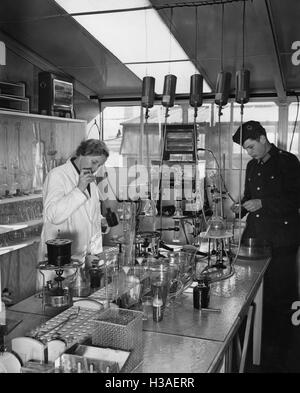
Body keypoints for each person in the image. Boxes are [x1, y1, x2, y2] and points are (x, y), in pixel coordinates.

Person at [231, 120, 300, 372]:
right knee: (252, 293)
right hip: (256, 240)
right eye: (246, 149)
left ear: (262, 138)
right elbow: (251, 197)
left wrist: (262, 203)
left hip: (282, 240)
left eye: (251, 147)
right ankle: (256, 341)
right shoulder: (251, 166)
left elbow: (294, 199)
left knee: (279, 295)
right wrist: (240, 207)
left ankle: (280, 351)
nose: (249, 152)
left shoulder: (287, 161)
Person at [37, 139, 109, 288]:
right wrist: (79, 188)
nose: (95, 168)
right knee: (55, 303)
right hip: (56, 261)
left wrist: (100, 222)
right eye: (94, 162)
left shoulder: (90, 181)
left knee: (75, 305)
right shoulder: (57, 175)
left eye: (99, 165)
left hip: (79, 259)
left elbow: (89, 214)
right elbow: (53, 215)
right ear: (81, 154)